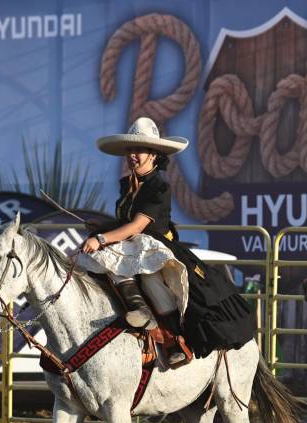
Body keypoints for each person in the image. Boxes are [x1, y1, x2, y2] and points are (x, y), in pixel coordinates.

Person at [79, 117, 255, 367]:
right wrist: (104, 230)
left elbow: (138, 226)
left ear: (153, 154)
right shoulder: (128, 186)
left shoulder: (158, 186)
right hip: (134, 246)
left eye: (138, 150)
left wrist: (102, 238)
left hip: (154, 247)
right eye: (130, 150)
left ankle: (174, 339)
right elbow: (127, 223)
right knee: (102, 264)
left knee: (150, 277)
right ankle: (138, 314)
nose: (132, 155)